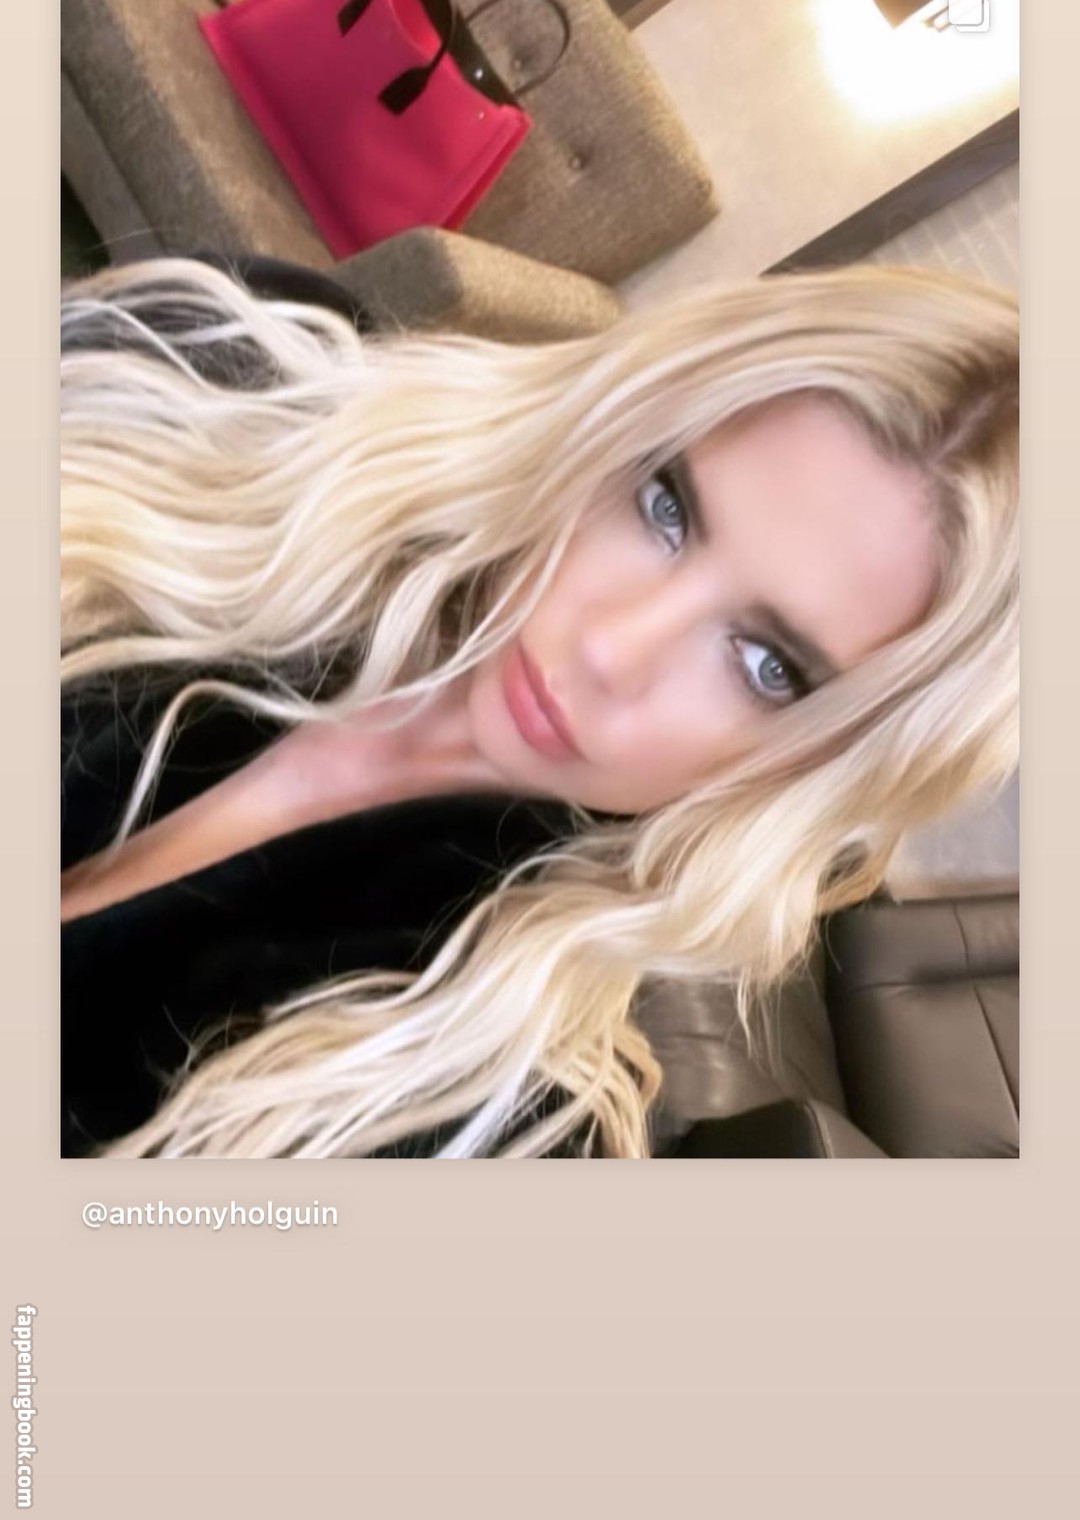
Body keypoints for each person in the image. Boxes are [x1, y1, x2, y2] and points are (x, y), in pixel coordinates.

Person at [59, 251, 1019, 1159]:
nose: (610, 647)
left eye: (767, 666)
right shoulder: (214, 367)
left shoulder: (490, 1119)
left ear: (817, 766)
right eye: (665, 506)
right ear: (616, 419)